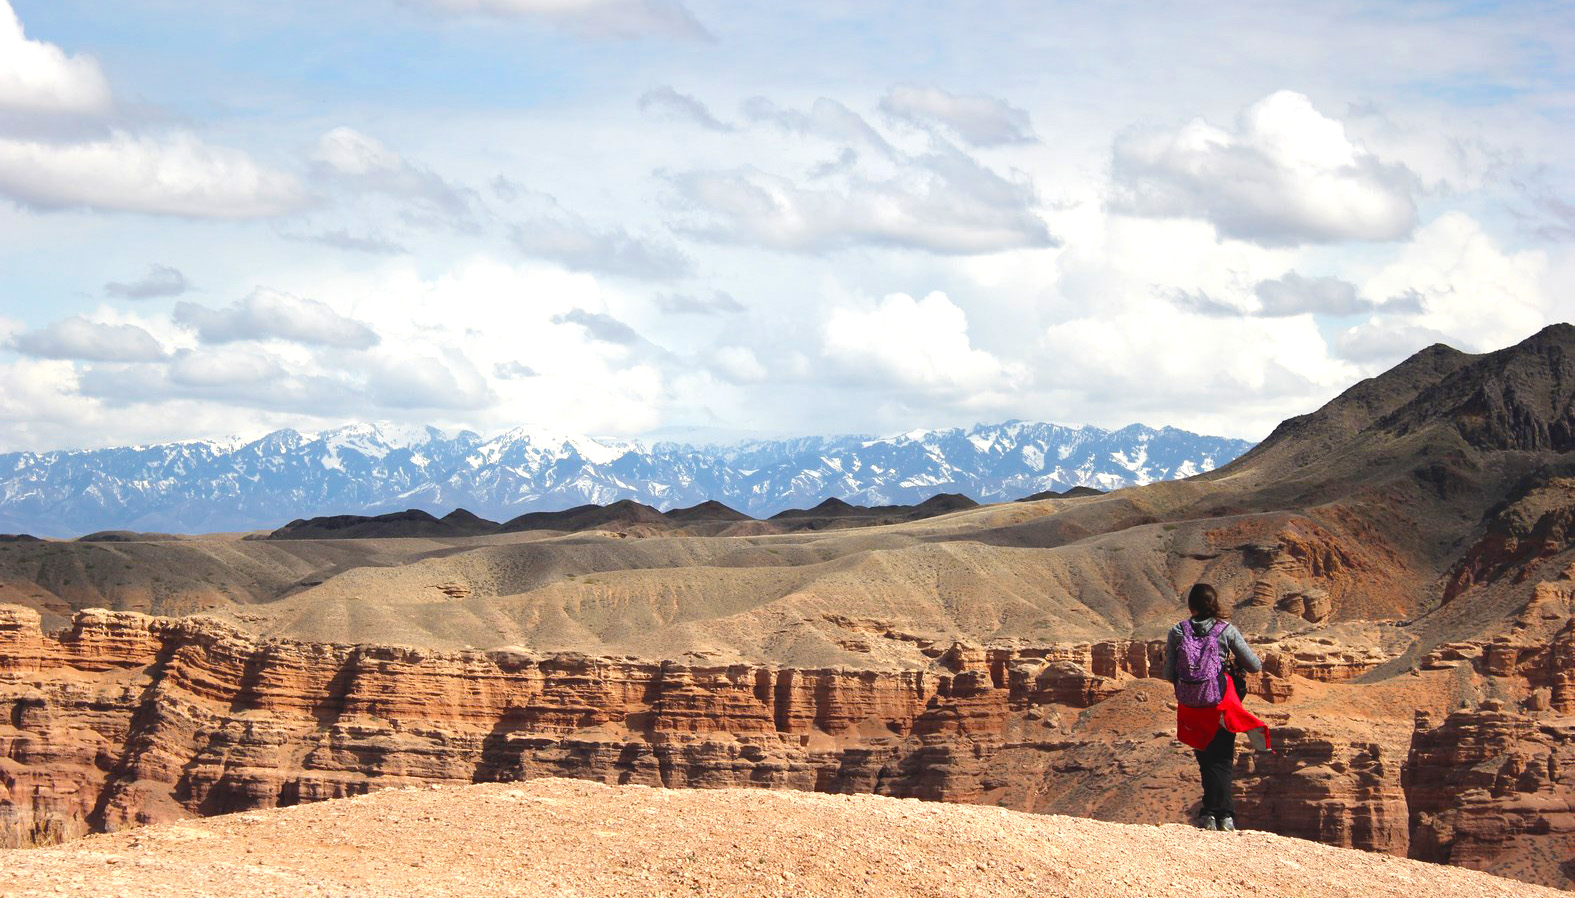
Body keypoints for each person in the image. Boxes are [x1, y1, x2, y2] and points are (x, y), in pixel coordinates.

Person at [1162, 582, 1264, 832]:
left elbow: (1167, 674)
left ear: (1191, 606)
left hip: (1191, 706)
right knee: (1222, 759)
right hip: (1219, 704)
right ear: (1215, 604)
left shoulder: (1177, 631)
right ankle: (1224, 816)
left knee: (1206, 759)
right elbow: (1254, 665)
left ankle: (1209, 815)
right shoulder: (1225, 630)